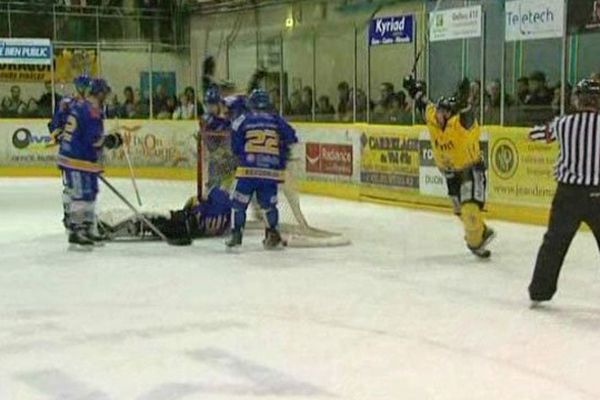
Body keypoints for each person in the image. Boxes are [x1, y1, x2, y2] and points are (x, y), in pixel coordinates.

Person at [403, 75, 495, 258]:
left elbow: (467, 113)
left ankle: (475, 241)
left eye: (445, 111)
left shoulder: (461, 123)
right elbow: (422, 101)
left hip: (470, 169)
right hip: (450, 172)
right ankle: (480, 231)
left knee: (469, 207)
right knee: (459, 209)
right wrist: (412, 87)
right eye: (439, 109)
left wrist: (463, 100)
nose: (439, 114)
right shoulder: (432, 116)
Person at [527, 79, 600, 304]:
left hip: (568, 195)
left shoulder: (564, 123)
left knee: (554, 243)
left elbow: (537, 134)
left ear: (577, 100)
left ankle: (540, 291)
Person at [227, 88, 298, 249]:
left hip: (248, 171)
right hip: (271, 172)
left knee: (238, 204)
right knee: (269, 206)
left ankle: (236, 235)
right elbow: (291, 136)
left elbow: (235, 145)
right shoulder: (276, 119)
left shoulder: (243, 118)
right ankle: (272, 234)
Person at [56, 78, 123, 250]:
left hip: (82, 159)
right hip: (76, 158)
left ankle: (86, 228)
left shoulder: (84, 106)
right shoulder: (91, 110)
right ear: (100, 93)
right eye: (105, 93)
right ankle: (77, 231)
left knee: (91, 192)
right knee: (81, 194)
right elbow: (94, 140)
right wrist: (111, 141)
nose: (107, 96)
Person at [98, 186, 232, 245]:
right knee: (154, 224)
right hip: (188, 231)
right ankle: (136, 227)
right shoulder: (226, 219)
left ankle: (113, 226)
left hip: (183, 222)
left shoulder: (216, 198)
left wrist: (191, 207)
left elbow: (195, 204)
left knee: (151, 215)